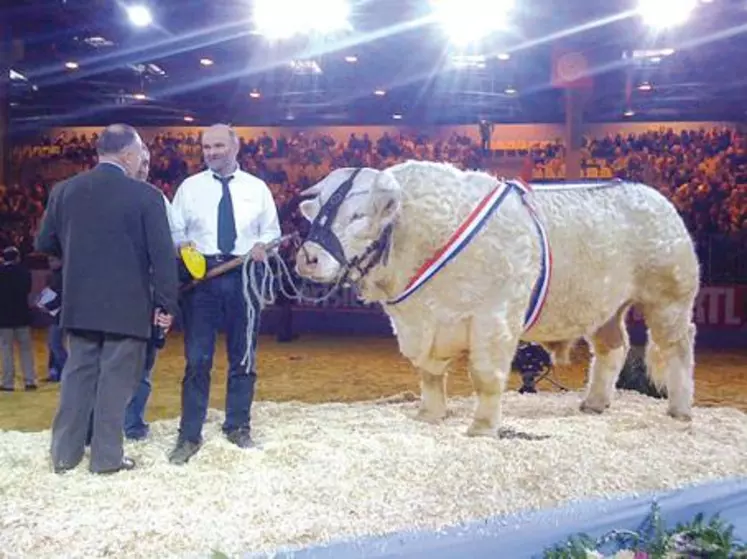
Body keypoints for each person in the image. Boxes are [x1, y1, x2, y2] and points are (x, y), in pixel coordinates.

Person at [35, 124, 179, 474]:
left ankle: (64, 456)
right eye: (140, 152)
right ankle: (106, 459)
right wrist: (166, 304)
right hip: (128, 307)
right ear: (128, 154)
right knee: (115, 384)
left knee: (77, 379)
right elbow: (162, 258)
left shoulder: (64, 190)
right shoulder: (147, 196)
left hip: (79, 302)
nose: (142, 158)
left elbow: (44, 244)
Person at [168, 123, 281, 465]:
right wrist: (183, 247)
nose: (212, 152)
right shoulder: (189, 188)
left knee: (243, 357)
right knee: (197, 359)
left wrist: (264, 246)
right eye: (206, 147)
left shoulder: (258, 188)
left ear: (235, 147)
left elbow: (272, 232)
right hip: (202, 280)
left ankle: (237, 427)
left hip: (245, 277)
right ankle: (189, 436)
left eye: (218, 146)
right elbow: (175, 231)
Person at [0, 246, 37, 391]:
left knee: (6, 350)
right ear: (17, 257)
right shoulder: (24, 272)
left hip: (3, 318)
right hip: (22, 315)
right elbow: (28, 290)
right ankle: (30, 381)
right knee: (26, 349)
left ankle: (8, 383)